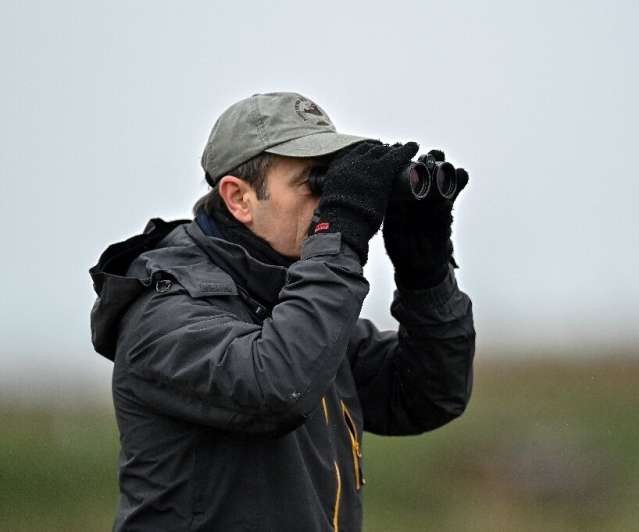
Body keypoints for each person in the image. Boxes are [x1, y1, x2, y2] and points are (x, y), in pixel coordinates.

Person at [89, 92, 475, 531]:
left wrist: (425, 276)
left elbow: (427, 395)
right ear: (239, 199)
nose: (330, 202)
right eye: (314, 182)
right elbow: (276, 387)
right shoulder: (164, 314)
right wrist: (338, 237)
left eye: (338, 181)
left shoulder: (293, 305)